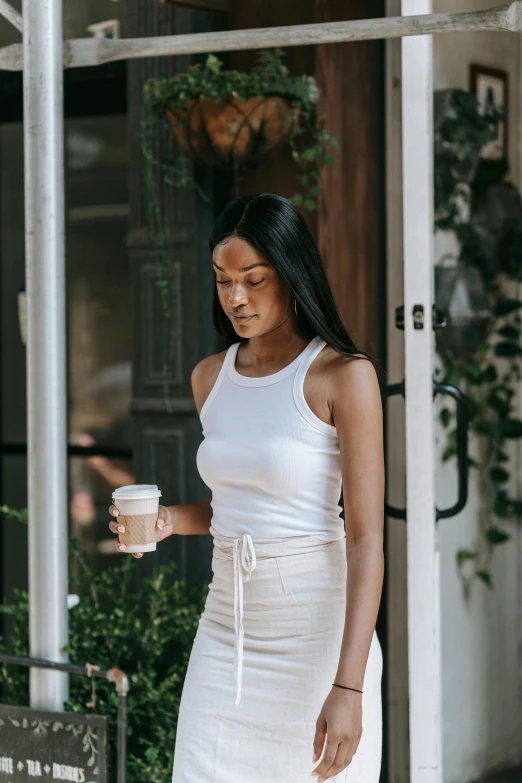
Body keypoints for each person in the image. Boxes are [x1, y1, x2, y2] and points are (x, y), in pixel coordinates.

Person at [108, 193, 385, 782]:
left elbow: (365, 538)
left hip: (317, 630)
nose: (236, 297)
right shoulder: (211, 377)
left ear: (290, 272)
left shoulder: (343, 376)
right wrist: (167, 522)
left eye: (253, 280)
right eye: (223, 280)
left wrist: (349, 684)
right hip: (227, 625)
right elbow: (233, 507)